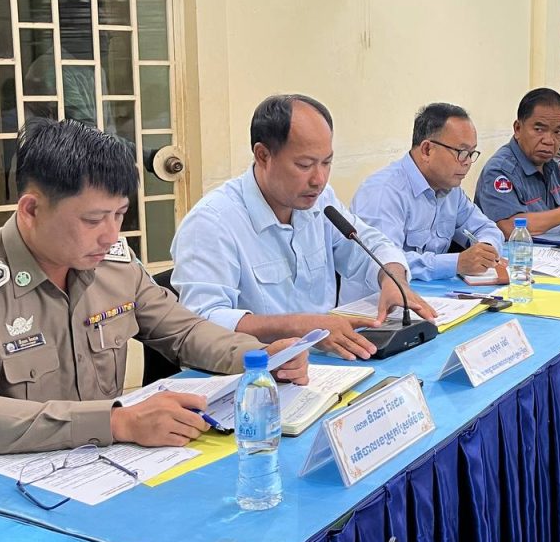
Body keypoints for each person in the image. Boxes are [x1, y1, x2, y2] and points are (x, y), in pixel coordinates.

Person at [0, 119, 309, 456]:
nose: (111, 235)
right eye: (93, 220)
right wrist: (114, 422)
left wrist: (259, 357)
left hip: (113, 467)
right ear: (31, 210)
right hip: (19, 484)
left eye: (119, 214)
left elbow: (184, 331)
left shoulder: (114, 266)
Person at [171, 95, 436, 362]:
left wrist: (393, 279)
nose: (319, 179)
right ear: (263, 155)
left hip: (326, 364)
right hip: (256, 372)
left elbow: (371, 245)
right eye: (304, 165)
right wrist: (298, 325)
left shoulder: (320, 201)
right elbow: (202, 324)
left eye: (327, 162)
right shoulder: (211, 223)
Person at [351, 103, 504, 282]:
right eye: (462, 152)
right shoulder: (383, 192)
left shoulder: (451, 190)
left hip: (434, 294)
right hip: (381, 297)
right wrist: (456, 263)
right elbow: (383, 262)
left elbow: (486, 228)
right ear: (427, 150)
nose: (468, 162)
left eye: (471, 153)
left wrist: (485, 249)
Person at [475, 87, 560, 236]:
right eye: (539, 129)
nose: (549, 141)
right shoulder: (500, 170)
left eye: (558, 132)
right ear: (518, 129)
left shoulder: (550, 164)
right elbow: (507, 227)